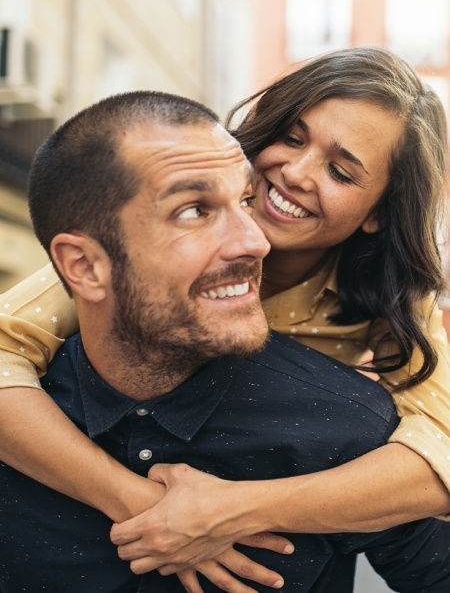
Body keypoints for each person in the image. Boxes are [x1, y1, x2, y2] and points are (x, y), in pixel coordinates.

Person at [0, 47, 450, 573]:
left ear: (379, 213)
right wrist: (145, 509)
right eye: (292, 137)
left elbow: (438, 452)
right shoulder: (141, 257)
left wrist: (228, 512)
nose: (296, 173)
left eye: (341, 173)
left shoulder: (388, 298)